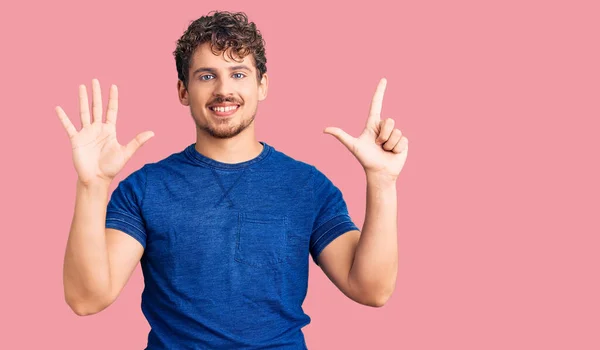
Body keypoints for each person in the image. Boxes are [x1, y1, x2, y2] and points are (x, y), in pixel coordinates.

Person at [57, 10, 408, 350]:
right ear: (183, 90)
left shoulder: (307, 186)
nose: (224, 90)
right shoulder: (145, 189)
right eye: (206, 75)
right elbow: (87, 299)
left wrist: (382, 182)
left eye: (238, 74)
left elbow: (372, 290)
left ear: (262, 85)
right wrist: (92, 184)